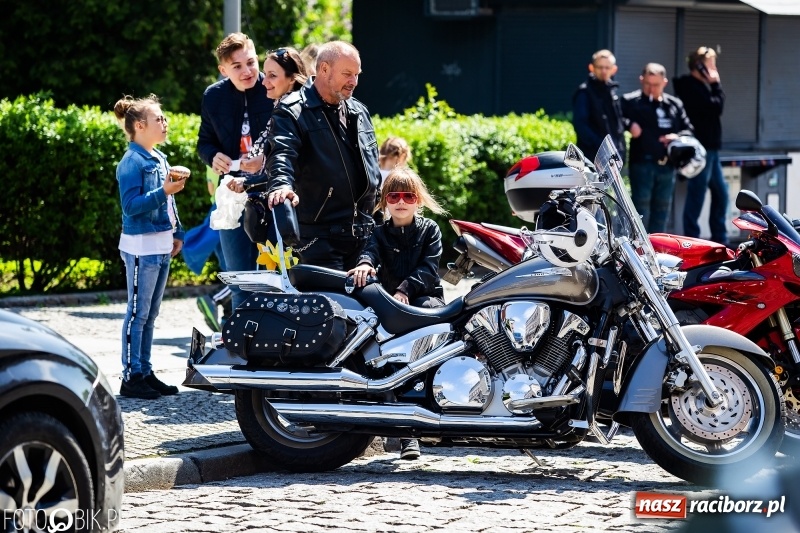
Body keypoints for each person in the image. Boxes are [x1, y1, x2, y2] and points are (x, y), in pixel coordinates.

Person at [347, 167, 447, 459]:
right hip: (390, 306)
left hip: (424, 300)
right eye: (394, 195)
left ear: (419, 200)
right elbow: (369, 252)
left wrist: (404, 289)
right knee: (385, 362)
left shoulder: (430, 230)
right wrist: (365, 264)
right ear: (385, 201)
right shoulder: (377, 233)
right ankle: (407, 435)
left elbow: (429, 270)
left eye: (408, 195)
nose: (401, 201)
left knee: (430, 348)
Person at [265, 41, 381, 271]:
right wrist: (281, 186)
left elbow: (372, 167)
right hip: (319, 240)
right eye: (347, 74)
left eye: (357, 74)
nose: (354, 82)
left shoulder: (359, 110)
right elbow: (281, 153)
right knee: (330, 305)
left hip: (366, 236)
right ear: (324, 69)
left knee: (369, 306)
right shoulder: (292, 110)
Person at [113, 94, 186, 400]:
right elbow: (131, 207)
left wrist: (177, 231)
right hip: (141, 246)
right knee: (137, 313)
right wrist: (163, 190)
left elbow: (168, 201)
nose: (165, 122)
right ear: (140, 126)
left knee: (150, 313)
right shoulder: (131, 162)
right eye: (159, 118)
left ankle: (144, 370)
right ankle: (131, 376)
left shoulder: (158, 157)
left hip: (160, 243)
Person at [197, 32, 273, 312]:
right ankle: (243, 348)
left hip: (268, 191)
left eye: (251, 62)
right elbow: (204, 142)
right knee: (239, 279)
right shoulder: (213, 97)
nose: (247, 71)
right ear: (223, 70)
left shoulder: (273, 89)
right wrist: (210, 155)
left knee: (272, 278)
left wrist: (266, 157)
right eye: (237, 66)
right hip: (230, 194)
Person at [622, 63, 694, 233]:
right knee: (641, 210)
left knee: (662, 211)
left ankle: (657, 251)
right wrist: (630, 124)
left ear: (664, 83)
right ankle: (638, 251)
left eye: (656, 85)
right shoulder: (630, 102)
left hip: (667, 166)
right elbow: (615, 119)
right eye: (647, 84)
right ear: (641, 80)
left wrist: (676, 137)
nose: (651, 88)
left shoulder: (674, 104)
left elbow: (689, 130)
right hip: (642, 164)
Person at [227, 47, 309, 191]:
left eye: (272, 75)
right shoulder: (297, 107)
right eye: (265, 74)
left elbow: (288, 168)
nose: (264, 82)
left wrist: (247, 183)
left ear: (291, 79)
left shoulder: (289, 113)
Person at [674, 46, 728, 246]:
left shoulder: (703, 86)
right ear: (699, 67)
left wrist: (714, 85)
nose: (714, 69)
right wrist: (716, 84)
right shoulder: (690, 87)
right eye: (710, 65)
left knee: (721, 193)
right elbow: (716, 106)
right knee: (697, 193)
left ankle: (720, 237)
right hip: (701, 149)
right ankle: (692, 238)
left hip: (712, 149)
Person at [572, 49, 627, 163]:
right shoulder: (584, 92)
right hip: (592, 158)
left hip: (613, 159)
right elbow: (581, 126)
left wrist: (620, 150)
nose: (603, 71)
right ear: (591, 68)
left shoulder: (612, 92)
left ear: (614, 69)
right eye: (600, 67)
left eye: (607, 67)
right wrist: (603, 147)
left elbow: (617, 126)